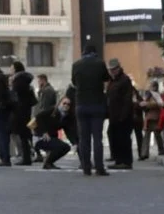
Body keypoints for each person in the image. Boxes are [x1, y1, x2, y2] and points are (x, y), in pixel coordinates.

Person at [71, 45, 109, 175]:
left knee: (83, 139)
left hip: (81, 104)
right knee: (97, 138)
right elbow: (106, 78)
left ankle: (86, 168)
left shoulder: (76, 65)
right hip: (97, 104)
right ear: (94, 52)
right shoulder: (100, 63)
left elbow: (74, 82)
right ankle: (99, 167)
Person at [105, 59, 135, 170]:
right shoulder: (112, 81)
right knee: (114, 137)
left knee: (124, 139)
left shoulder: (125, 80)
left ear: (119, 68)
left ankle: (126, 161)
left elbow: (127, 100)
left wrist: (123, 115)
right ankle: (118, 160)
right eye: (110, 70)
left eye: (114, 69)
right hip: (113, 116)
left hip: (123, 116)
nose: (112, 72)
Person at [32, 95, 74, 169]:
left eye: (68, 104)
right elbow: (38, 117)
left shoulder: (66, 116)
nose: (66, 105)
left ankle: (49, 162)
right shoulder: (52, 110)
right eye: (64, 103)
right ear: (60, 103)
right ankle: (47, 163)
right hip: (40, 137)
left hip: (51, 137)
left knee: (66, 147)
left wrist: (75, 142)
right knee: (61, 146)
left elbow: (68, 131)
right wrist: (44, 132)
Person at [140, 80, 164, 158]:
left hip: (154, 117)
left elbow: (158, 104)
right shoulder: (149, 95)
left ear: (154, 87)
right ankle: (145, 153)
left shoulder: (156, 95)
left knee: (156, 134)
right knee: (148, 135)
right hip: (149, 117)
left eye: (150, 86)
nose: (149, 87)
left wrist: (146, 104)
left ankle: (160, 150)